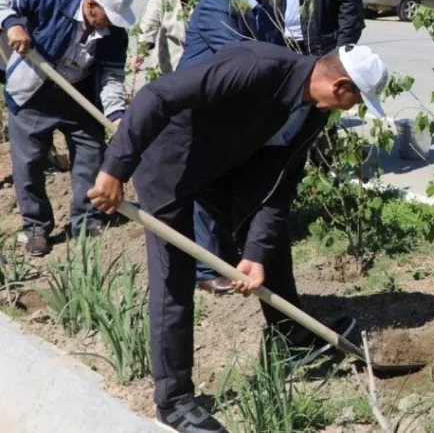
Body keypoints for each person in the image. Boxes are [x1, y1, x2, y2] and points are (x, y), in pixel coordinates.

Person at [88, 41, 389, 433]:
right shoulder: (258, 67)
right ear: (341, 87)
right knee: (173, 277)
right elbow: (157, 94)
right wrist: (115, 167)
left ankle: (293, 337)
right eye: (355, 101)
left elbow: (278, 186)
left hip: (228, 169)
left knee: (271, 243)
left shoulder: (311, 114)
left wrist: (257, 253)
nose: (351, 110)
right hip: (172, 163)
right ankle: (174, 402)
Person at [0, 0, 134, 257]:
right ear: (92, 4)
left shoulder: (115, 34)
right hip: (32, 94)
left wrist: (116, 114)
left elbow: (110, 77)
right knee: (30, 163)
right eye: (106, 17)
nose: (109, 24)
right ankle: (36, 228)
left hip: (78, 96)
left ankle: (85, 221)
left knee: (91, 153)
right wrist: (12, 23)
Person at [179, 0, 284, 294]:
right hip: (204, 109)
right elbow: (242, 58)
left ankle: (222, 259)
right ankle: (205, 270)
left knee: (223, 186)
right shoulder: (215, 7)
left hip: (235, 111)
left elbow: (276, 52)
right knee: (206, 188)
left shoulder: (264, 6)